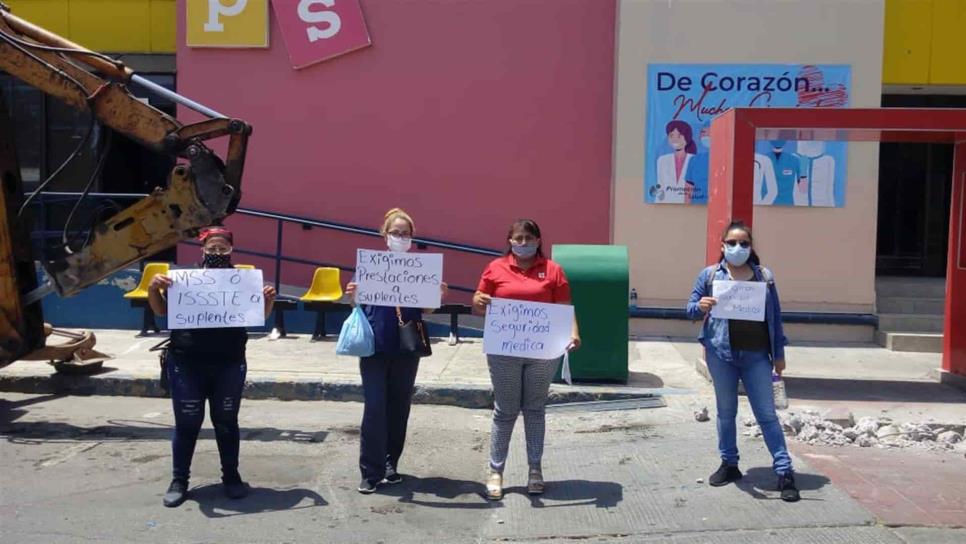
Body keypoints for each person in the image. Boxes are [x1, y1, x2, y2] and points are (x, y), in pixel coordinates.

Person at [147, 226, 277, 508]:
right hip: (186, 362)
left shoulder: (243, 281)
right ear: (202, 249)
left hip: (229, 363)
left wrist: (267, 300)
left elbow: (259, 318)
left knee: (227, 422)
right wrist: (153, 288)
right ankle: (179, 480)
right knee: (187, 424)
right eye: (212, 248)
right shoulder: (185, 280)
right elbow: (159, 311)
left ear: (232, 250)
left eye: (223, 249)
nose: (218, 253)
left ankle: (231, 477)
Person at [685, 220, 800, 502]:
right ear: (722, 246)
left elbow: (775, 318)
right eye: (732, 243)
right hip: (721, 353)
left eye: (744, 243)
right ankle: (730, 463)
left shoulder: (764, 277)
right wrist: (700, 307)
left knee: (767, 415)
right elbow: (689, 308)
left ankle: (784, 472)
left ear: (751, 247)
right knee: (726, 412)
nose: (738, 248)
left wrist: (780, 356)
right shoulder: (710, 275)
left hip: (757, 356)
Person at [472, 219, 580, 501]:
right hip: (504, 351)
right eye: (518, 238)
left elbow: (564, 308)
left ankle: (535, 470)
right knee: (505, 410)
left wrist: (573, 334)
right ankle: (496, 472)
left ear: (538, 240)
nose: (523, 243)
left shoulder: (553, 270)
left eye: (528, 238)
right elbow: (478, 305)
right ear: (509, 240)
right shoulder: (495, 268)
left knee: (535, 409)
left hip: (542, 352)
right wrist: (479, 301)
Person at [345, 208, 446, 494]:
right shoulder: (371, 266)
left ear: (412, 237)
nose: (400, 237)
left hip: (407, 347)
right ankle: (370, 471)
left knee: (399, 407)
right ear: (384, 235)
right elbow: (358, 305)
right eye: (395, 233)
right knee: (375, 407)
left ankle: (391, 464)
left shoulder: (420, 271)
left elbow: (427, 308)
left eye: (405, 233)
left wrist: (437, 295)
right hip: (374, 346)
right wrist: (352, 295)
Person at [656, 120, 697, 204]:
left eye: (679, 136)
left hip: (689, 206)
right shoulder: (662, 160)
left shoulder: (695, 159)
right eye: (671, 135)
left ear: (687, 137)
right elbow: (661, 187)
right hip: (666, 205)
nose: (675, 139)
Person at [765, 140, 801, 207]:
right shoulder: (763, 159)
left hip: (787, 204)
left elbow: (802, 187)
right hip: (767, 203)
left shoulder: (794, 160)